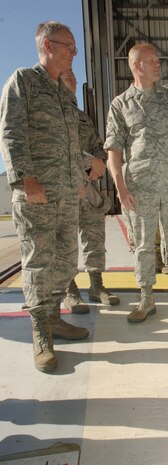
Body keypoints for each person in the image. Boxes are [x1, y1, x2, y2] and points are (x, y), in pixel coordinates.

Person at [0, 21, 89, 373]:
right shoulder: (24, 81)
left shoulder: (63, 93)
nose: (74, 54)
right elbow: (11, 131)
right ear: (49, 46)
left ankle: (54, 318)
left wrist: (79, 178)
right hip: (37, 193)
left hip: (67, 191)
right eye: (70, 46)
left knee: (66, 261)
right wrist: (26, 179)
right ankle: (41, 333)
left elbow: (72, 143)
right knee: (38, 262)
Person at [104, 43, 168, 323]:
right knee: (143, 243)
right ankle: (146, 298)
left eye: (158, 60)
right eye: (153, 61)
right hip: (140, 185)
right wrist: (120, 188)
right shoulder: (120, 104)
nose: (158, 65)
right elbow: (113, 148)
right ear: (137, 66)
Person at [59, 69, 120, 312]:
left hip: (89, 189)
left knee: (94, 238)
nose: (73, 79)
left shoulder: (82, 117)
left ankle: (96, 285)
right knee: (65, 241)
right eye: (66, 76)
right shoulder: (51, 111)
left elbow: (98, 146)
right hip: (63, 188)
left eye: (74, 76)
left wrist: (97, 165)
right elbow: (58, 148)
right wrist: (89, 162)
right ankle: (69, 290)